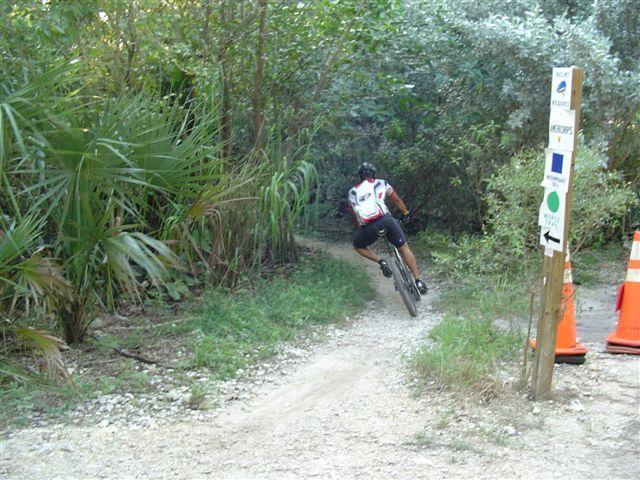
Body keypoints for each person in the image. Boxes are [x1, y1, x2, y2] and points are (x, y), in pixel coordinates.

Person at [347, 162, 427, 294]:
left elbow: (353, 214)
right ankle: (418, 281)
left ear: (360, 176)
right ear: (373, 173)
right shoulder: (382, 183)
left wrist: (359, 228)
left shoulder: (352, 192)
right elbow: (397, 200)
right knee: (404, 247)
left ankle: (382, 262)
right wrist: (406, 213)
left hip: (369, 227)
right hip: (386, 220)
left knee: (358, 245)